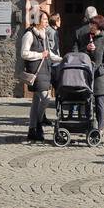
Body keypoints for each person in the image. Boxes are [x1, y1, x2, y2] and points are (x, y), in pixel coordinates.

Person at [22, 8, 62, 142]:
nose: (46, 22)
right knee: (46, 98)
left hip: (45, 69)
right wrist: (39, 55)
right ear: (38, 20)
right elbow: (24, 53)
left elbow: (48, 53)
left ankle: (32, 129)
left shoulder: (44, 34)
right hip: (35, 70)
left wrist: (62, 59)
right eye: (44, 19)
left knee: (36, 102)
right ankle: (39, 122)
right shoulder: (29, 34)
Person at [85, 15, 104, 132]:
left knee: (99, 103)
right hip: (86, 77)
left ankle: (100, 128)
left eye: (93, 24)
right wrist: (86, 48)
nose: (90, 26)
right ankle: (88, 126)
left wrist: (98, 71)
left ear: (99, 26)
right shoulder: (86, 37)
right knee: (87, 102)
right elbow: (79, 53)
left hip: (99, 78)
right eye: (90, 24)